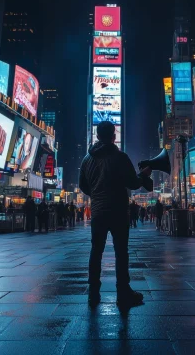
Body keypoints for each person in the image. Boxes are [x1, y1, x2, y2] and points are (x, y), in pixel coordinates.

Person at [79, 121, 152, 308]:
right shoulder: (120, 157)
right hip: (118, 211)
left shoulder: (87, 159)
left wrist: (96, 194)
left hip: (98, 212)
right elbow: (133, 183)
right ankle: (123, 292)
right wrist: (143, 175)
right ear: (113, 137)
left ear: (97, 136)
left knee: (96, 252)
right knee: (121, 252)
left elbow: (83, 186)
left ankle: (93, 293)